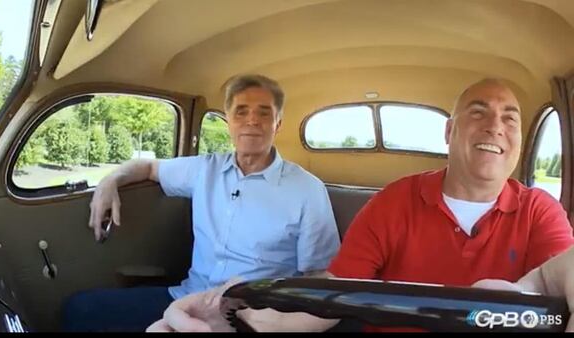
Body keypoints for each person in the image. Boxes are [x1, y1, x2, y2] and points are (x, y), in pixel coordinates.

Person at [147, 78, 574, 332]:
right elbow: (326, 302)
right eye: (478, 113)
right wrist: (236, 314)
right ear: (449, 131)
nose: (495, 126)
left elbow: (559, 283)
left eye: (510, 118)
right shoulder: (395, 202)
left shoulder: (541, 211)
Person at [62, 74, 341, 331]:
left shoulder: (307, 190)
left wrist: (270, 316)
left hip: (251, 314)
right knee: (81, 308)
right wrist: (111, 181)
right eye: (241, 111)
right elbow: (147, 167)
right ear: (229, 121)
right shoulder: (204, 169)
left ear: (277, 123)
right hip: (188, 297)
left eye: (264, 112)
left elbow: (318, 276)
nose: (252, 120)